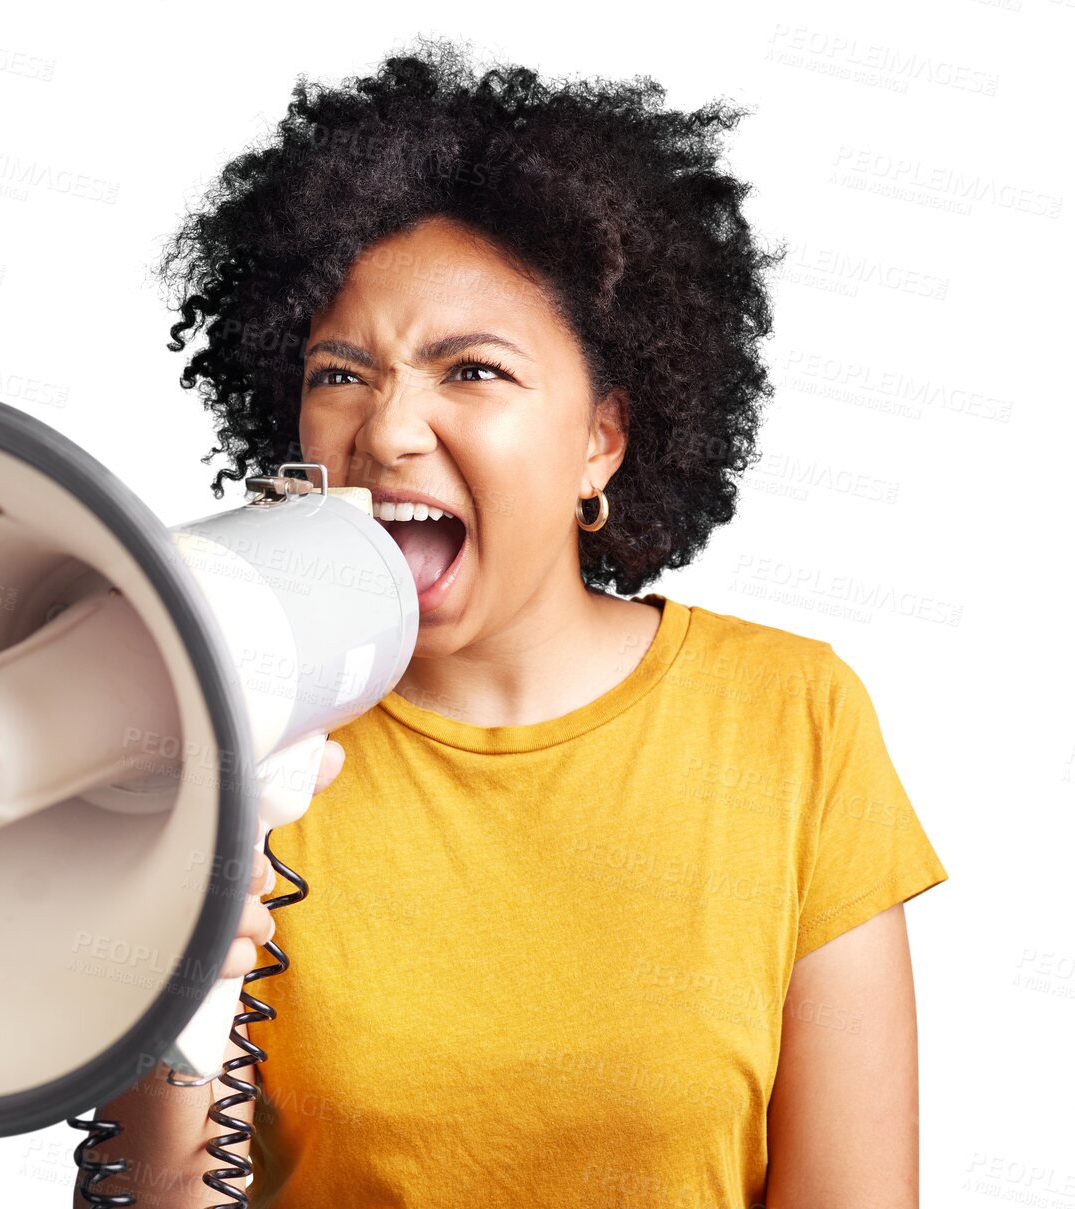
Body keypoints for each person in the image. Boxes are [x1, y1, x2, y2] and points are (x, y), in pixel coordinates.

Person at [76, 36, 948, 1208]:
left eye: (471, 371)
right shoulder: (224, 726)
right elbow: (152, 1198)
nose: (383, 432)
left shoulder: (791, 718)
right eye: (340, 373)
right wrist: (170, 972)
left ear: (601, 439)